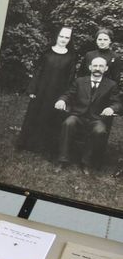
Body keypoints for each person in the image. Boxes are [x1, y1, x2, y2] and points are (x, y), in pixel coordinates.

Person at [55, 56, 121, 174]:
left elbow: (117, 102)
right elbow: (68, 94)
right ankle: (62, 160)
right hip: (78, 115)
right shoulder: (80, 81)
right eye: (95, 66)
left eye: (101, 66)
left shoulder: (111, 85)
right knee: (68, 123)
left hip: (96, 118)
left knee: (99, 130)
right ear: (90, 67)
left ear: (106, 68)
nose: (97, 68)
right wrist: (62, 100)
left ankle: (86, 162)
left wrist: (111, 108)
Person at [17, 26, 77, 154]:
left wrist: (64, 98)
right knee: (33, 115)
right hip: (41, 91)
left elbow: (70, 79)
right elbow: (38, 71)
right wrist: (32, 89)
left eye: (67, 37)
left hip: (56, 93)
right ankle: (25, 143)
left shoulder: (71, 56)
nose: (63, 39)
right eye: (61, 36)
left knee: (49, 118)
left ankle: (42, 147)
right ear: (57, 36)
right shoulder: (47, 52)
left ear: (70, 39)